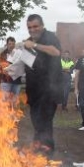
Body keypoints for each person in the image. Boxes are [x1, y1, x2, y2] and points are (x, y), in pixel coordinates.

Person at [23, 14, 63, 155]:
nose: (32, 30)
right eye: (29, 27)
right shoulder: (27, 43)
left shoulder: (49, 37)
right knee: (36, 121)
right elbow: (27, 63)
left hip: (49, 89)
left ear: (42, 26)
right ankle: (38, 147)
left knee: (44, 121)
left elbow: (56, 52)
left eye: (35, 26)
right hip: (33, 90)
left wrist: (34, 45)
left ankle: (46, 151)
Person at [0, 37, 22, 109]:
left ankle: (13, 117)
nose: (11, 45)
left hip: (17, 82)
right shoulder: (3, 54)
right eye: (10, 44)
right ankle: (5, 118)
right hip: (6, 82)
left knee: (14, 101)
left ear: (15, 44)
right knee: (5, 101)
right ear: (7, 44)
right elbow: (3, 68)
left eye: (13, 44)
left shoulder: (19, 54)